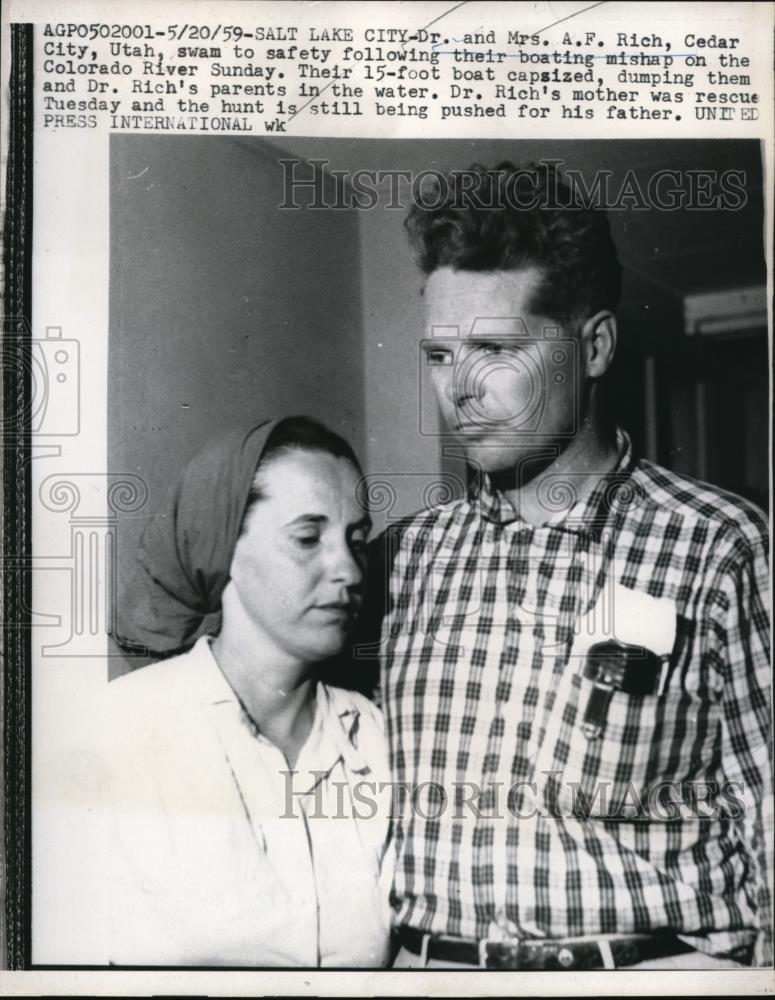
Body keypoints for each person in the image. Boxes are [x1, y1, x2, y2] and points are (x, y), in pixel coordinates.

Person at [365, 161, 772, 970]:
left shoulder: (720, 547)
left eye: (493, 349)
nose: (460, 392)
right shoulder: (399, 561)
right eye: (440, 355)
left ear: (593, 347)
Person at [106, 416, 393, 967]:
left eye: (356, 540)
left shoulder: (375, 739)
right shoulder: (123, 729)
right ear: (220, 546)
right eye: (308, 538)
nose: (350, 570)